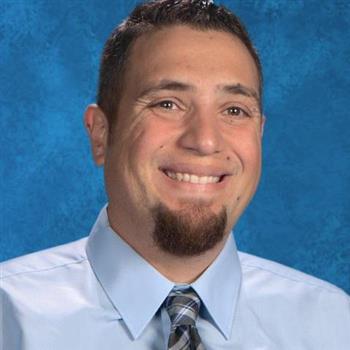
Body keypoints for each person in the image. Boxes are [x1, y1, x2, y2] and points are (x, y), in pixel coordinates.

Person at [1, 0, 349, 349]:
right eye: (167, 103)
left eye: (234, 110)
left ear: (260, 134)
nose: (205, 140)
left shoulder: (330, 324)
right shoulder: (11, 318)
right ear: (101, 135)